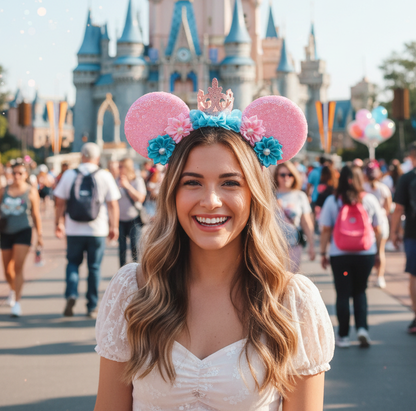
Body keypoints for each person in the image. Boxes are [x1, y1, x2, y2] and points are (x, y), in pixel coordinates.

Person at [94, 83, 334, 411]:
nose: (211, 201)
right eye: (192, 182)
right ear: (172, 194)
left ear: (255, 195)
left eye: (230, 183)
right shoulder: (134, 291)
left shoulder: (291, 303)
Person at [54, 142, 120, 318]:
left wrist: (58, 222)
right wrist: (114, 226)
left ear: (81, 156)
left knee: (73, 263)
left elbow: (59, 202)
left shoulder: (69, 174)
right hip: (97, 230)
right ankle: (91, 306)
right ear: (97, 158)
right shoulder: (104, 176)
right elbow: (113, 204)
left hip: (73, 229)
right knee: (94, 267)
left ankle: (71, 294)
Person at [320, 164, 382, 348]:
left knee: (343, 293)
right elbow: (378, 229)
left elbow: (325, 229)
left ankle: (343, 335)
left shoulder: (333, 201)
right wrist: (378, 252)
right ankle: (362, 329)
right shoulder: (369, 200)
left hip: (340, 254)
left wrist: (323, 252)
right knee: (360, 291)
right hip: (365, 253)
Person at [0, 160, 43, 316]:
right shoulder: (3, 190)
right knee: (6, 269)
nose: (17, 176)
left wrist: (40, 236)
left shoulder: (31, 191)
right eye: (14, 173)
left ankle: (17, 303)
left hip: (23, 231)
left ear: (26, 175)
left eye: (20, 173)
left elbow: (36, 215)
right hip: (5, 232)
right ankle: (12, 289)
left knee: (18, 266)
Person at [391, 142, 416, 335]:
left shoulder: (407, 178)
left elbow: (398, 208)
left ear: (411, 157)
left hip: (412, 234)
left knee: (414, 276)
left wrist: (394, 232)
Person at [273, 161, 315, 272]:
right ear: (277, 176)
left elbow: (306, 222)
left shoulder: (300, 196)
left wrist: (311, 244)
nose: (286, 178)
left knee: (290, 279)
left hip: (293, 244)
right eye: (282, 175)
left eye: (290, 174)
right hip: (272, 246)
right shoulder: (269, 195)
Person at [363, 161, 392, 288]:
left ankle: (367, 275)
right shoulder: (384, 188)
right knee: (380, 252)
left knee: (367, 251)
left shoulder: (362, 187)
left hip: (366, 225)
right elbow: (388, 208)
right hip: (381, 223)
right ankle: (380, 277)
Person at [117, 158, 146, 267]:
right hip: (120, 219)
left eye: (121, 166)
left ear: (127, 168)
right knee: (122, 248)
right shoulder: (116, 180)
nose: (118, 169)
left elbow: (141, 198)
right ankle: (122, 274)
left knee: (135, 247)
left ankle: (136, 272)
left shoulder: (137, 180)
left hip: (134, 218)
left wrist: (127, 186)